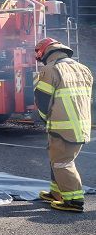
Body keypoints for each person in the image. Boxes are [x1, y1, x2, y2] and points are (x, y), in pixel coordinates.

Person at [34, 37, 93, 213]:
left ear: (45, 53)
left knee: (62, 162)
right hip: (80, 125)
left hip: (61, 126)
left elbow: (43, 100)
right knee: (57, 159)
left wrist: (45, 119)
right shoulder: (83, 69)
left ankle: (74, 200)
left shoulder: (50, 70)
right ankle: (56, 192)